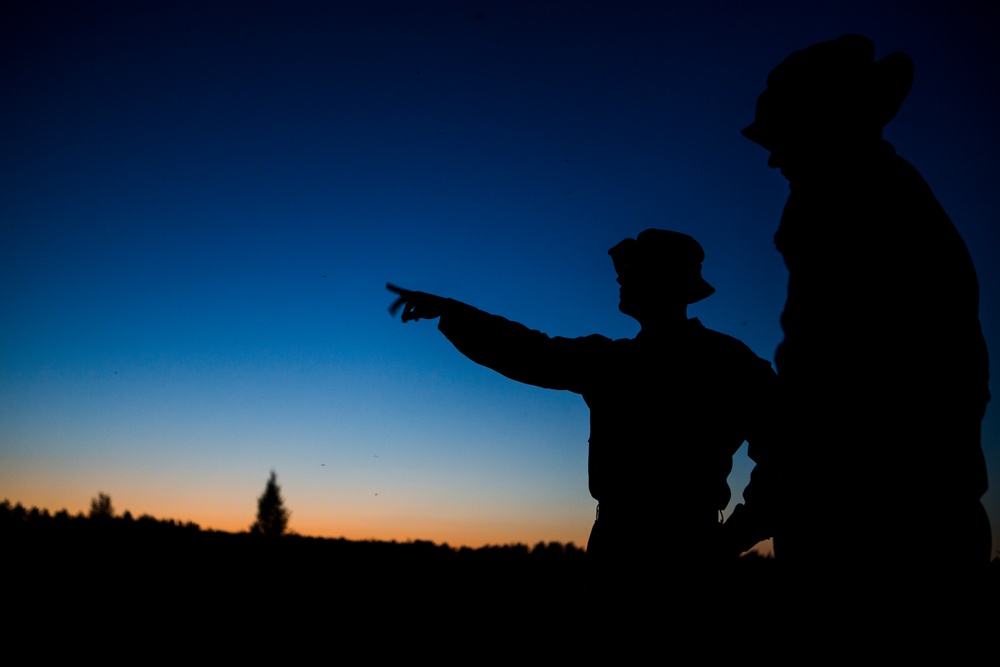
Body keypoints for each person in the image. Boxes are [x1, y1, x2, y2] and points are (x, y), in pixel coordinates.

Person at [733, 34, 992, 632]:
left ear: (821, 124)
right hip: (925, 516)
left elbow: (822, 384)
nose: (773, 159)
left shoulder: (838, 208)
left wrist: (760, 511)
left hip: (865, 535)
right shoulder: (892, 196)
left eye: (781, 138)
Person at [387, 229, 777, 613]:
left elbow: (786, 454)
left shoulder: (720, 363)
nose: (620, 279)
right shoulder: (623, 361)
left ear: (665, 281)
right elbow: (529, 351)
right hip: (622, 552)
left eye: (633, 272)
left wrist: (732, 538)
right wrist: (452, 312)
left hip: (682, 556)